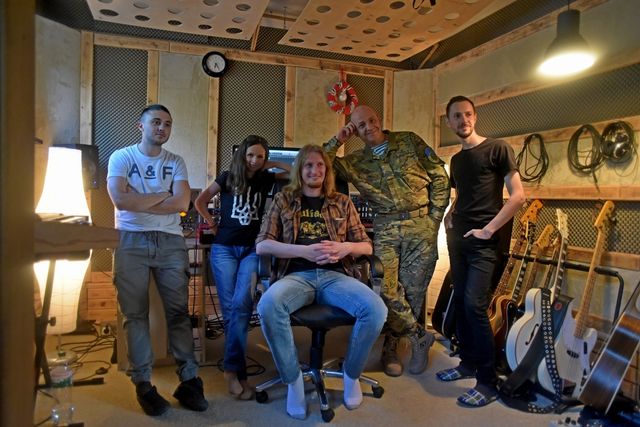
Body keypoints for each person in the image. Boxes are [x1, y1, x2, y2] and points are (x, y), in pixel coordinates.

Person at [255, 144, 387, 420]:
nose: (314, 170)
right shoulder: (283, 199)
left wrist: (344, 248)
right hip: (296, 276)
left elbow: (367, 246)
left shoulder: (342, 202)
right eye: (308, 165)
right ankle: (293, 382)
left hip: (335, 277)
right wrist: (303, 251)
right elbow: (262, 245)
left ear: (326, 171)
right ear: (299, 170)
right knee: (268, 306)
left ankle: (351, 375)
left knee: (376, 309)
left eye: (320, 165)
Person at [323, 105, 450, 377]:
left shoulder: (409, 141)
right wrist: (339, 139)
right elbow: (321, 163)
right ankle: (418, 335)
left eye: (371, 120)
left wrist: (435, 218)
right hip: (387, 227)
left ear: (378, 119)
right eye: (361, 125)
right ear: (355, 131)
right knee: (386, 288)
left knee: (412, 293)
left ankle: (390, 348)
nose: (369, 127)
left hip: (421, 224)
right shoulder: (355, 162)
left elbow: (439, 175)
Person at [107, 104, 208, 416]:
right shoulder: (121, 157)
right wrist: (165, 196)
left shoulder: (175, 161)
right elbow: (119, 199)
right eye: (155, 122)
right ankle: (143, 385)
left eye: (167, 124)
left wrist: (140, 200)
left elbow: (183, 202)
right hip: (130, 240)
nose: (162, 128)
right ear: (141, 126)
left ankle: (189, 381)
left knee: (178, 313)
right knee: (135, 315)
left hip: (170, 242)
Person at [436, 95, 525, 407]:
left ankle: (488, 382)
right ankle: (468, 363)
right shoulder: (457, 160)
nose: (463, 120)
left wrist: (489, 229)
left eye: (467, 114)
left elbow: (518, 196)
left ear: (475, 117)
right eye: (456, 116)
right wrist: (449, 216)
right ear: (449, 122)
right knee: (460, 301)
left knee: (475, 305)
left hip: (483, 243)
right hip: (457, 239)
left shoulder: (498, 148)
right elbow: (462, 195)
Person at [193, 135, 290, 400]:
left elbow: (292, 171)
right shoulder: (227, 177)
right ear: (241, 155)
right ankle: (238, 373)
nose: (254, 161)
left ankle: (232, 370)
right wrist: (212, 224)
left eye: (260, 156)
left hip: (251, 250)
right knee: (230, 310)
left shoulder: (266, 178)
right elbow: (200, 201)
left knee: (242, 306)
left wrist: (269, 163)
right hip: (224, 249)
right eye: (250, 155)